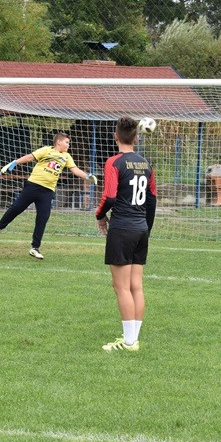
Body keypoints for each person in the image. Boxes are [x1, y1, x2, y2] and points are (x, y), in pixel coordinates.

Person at [95, 117, 157, 352]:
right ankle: (133, 339)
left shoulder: (114, 162)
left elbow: (109, 197)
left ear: (115, 137)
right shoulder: (146, 164)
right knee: (136, 286)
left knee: (121, 287)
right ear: (137, 137)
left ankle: (129, 342)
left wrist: (100, 215)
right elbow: (152, 199)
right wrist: (146, 227)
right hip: (140, 228)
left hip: (121, 228)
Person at [0, 132, 98, 259]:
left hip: (48, 191)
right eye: (67, 142)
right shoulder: (46, 150)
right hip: (33, 186)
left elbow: (75, 170)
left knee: (43, 218)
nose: (68, 145)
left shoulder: (66, 156)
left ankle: (35, 248)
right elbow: (30, 157)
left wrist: (87, 176)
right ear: (59, 142)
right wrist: (14, 163)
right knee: (16, 208)